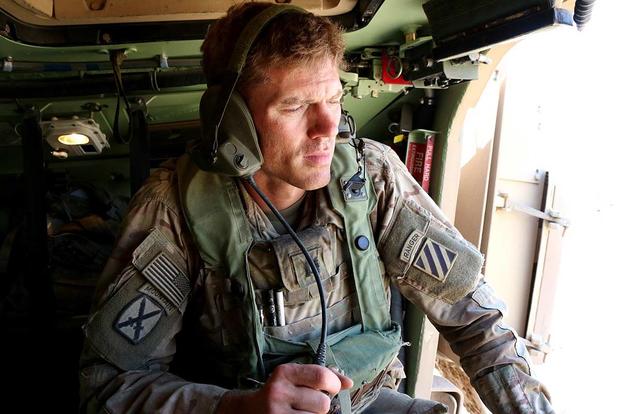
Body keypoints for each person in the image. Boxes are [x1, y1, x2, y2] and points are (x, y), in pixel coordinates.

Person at [79, 3, 555, 413]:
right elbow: (107, 387)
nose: (327, 126)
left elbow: (476, 320)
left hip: (370, 400)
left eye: (333, 97)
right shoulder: (174, 209)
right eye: (295, 106)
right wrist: (233, 407)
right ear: (233, 123)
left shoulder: (371, 174)